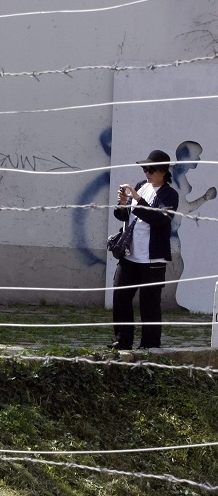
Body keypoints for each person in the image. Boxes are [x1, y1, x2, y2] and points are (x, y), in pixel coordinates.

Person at [111, 149, 180, 349]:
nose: (147, 173)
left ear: (163, 172)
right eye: (144, 169)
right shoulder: (141, 186)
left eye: (151, 169)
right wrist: (122, 204)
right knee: (120, 296)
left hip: (152, 259)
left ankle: (150, 346)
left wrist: (137, 200)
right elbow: (124, 217)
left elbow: (159, 219)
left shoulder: (170, 195)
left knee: (149, 303)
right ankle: (122, 341)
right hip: (129, 255)